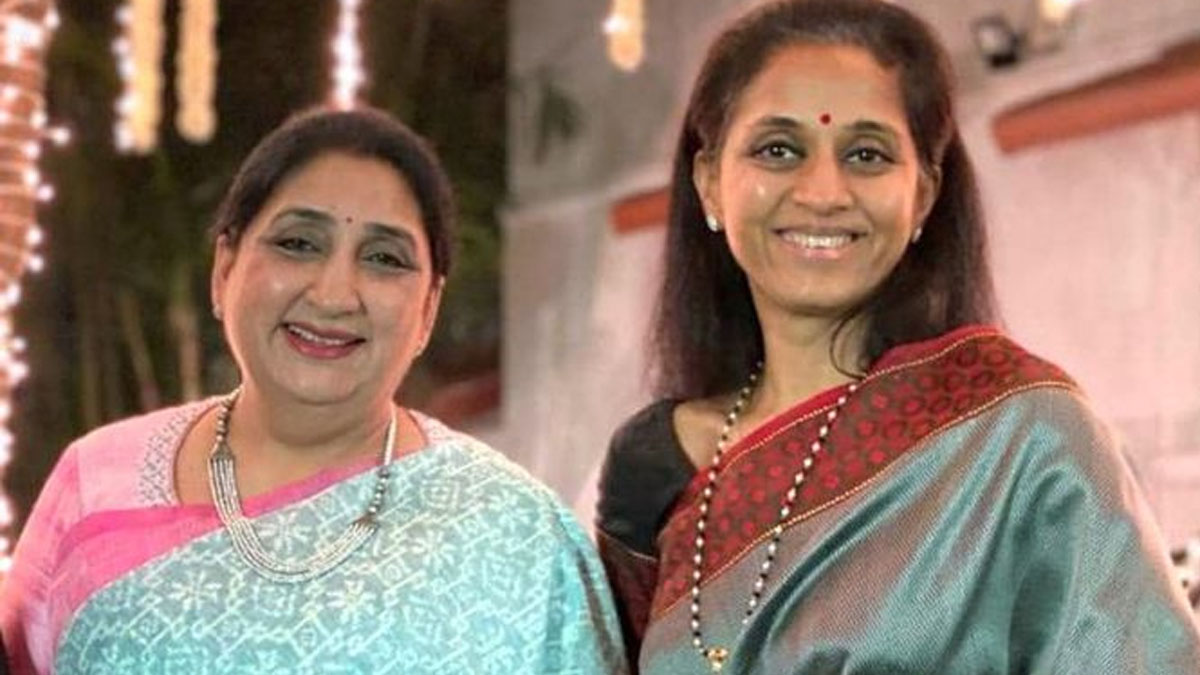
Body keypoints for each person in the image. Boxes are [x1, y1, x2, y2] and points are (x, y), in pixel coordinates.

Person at [596, 1, 1200, 673]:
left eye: (867, 154)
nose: (823, 192)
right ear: (709, 182)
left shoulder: (1021, 437)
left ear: (923, 196)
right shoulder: (654, 466)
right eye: (778, 150)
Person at [1, 107, 627, 674]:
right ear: (225, 270)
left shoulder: (515, 533)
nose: (333, 295)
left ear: (428, 310)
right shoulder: (95, 484)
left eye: (384, 258)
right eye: (298, 244)